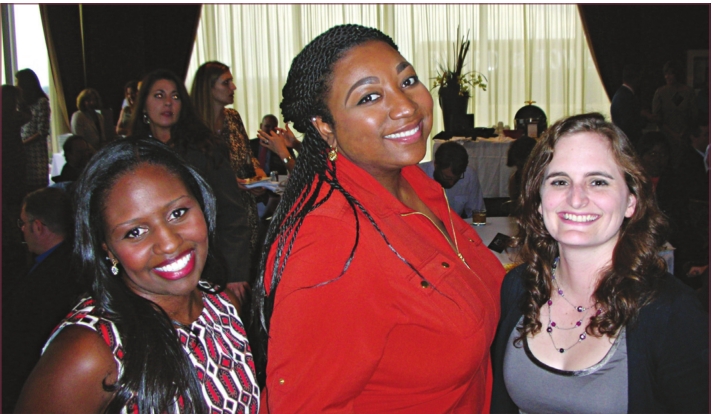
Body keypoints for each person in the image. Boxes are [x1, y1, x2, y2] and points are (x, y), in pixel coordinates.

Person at [251, 24, 505, 411]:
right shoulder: (331, 242)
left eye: (408, 81)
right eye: (369, 97)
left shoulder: (414, 181)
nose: (407, 107)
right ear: (324, 126)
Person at [15, 138, 260, 412]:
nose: (169, 243)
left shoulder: (224, 306)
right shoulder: (91, 350)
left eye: (178, 213)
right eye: (135, 232)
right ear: (107, 249)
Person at [491, 113, 709, 413]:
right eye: (560, 181)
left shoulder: (671, 312)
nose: (576, 199)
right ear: (539, 200)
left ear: (631, 201)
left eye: (598, 181)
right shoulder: (519, 287)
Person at [130, 69, 254, 305]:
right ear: (144, 105)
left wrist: (236, 271)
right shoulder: (133, 154)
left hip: (208, 262)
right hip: (154, 264)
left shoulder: (205, 149)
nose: (168, 102)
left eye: (175, 96)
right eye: (159, 95)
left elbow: (231, 212)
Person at [3, 187, 80, 413]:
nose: (21, 230)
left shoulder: (51, 276)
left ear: (38, 226)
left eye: (23, 223)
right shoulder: (75, 260)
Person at [191, 61, 265, 280]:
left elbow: (248, 155)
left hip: (244, 209)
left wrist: (259, 174)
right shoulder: (193, 125)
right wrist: (229, 183)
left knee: (245, 273)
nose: (233, 87)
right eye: (226, 83)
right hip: (214, 212)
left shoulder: (233, 118)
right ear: (208, 88)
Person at [419, 141, 485, 219]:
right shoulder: (418, 174)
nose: (451, 183)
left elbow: (477, 212)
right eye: (447, 177)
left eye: (457, 178)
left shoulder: (469, 175)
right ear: (435, 165)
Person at [652, 60, 698, 167]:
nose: (667, 77)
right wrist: (673, 134)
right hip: (666, 136)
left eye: (671, 73)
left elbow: (694, 115)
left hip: (685, 136)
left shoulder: (688, 92)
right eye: (666, 74)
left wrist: (683, 132)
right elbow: (657, 118)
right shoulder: (660, 93)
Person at [15, 68, 50, 193]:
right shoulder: (23, 105)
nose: (16, 86)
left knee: (37, 188)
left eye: (18, 82)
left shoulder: (41, 102)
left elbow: (42, 131)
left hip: (36, 152)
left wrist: (23, 143)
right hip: (24, 152)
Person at [610, 64, 652, 145]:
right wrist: (645, 117)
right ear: (636, 78)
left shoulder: (621, 93)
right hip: (629, 141)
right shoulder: (626, 96)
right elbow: (629, 124)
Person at [506, 136, 537, 213]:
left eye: (521, 165)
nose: (522, 170)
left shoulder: (541, 179)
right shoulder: (515, 178)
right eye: (518, 166)